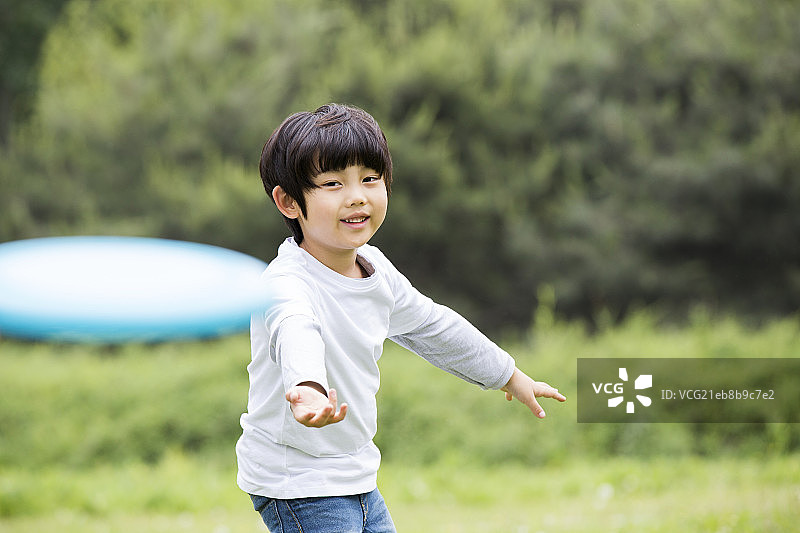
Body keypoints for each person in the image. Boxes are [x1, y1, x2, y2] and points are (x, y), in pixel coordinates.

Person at [236, 103, 566, 532]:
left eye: (370, 179)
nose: (357, 195)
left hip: (354, 468)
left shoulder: (375, 268)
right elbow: (295, 329)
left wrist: (508, 374)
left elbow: (433, 327)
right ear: (288, 202)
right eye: (333, 183)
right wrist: (307, 388)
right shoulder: (287, 283)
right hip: (297, 478)